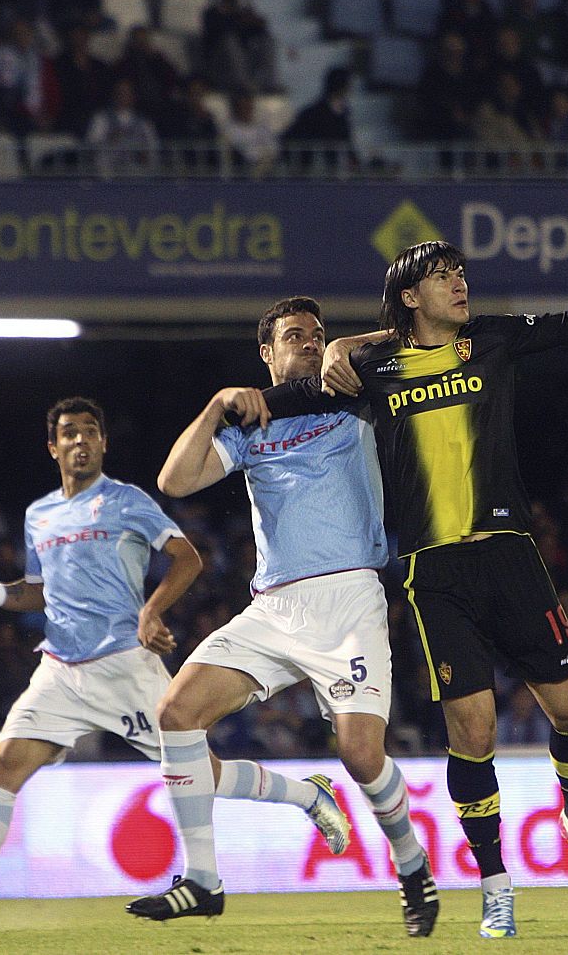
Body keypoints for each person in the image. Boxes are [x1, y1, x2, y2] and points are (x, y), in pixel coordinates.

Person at [269, 241, 568, 938]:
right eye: (443, 276)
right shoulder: (372, 368)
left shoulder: (494, 341)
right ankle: (495, 882)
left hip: (510, 558)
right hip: (433, 573)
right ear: (411, 296)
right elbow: (281, 398)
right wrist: (227, 407)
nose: (460, 283)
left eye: (461, 273)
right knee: (472, 734)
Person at [125, 296, 436, 935]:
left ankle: (411, 865)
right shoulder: (251, 428)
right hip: (274, 606)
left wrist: (351, 346)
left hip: (349, 596)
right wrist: (217, 405)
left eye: (317, 336)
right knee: (176, 715)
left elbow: (420, 333)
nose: (310, 344)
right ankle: (204, 881)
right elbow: (174, 482)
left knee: (359, 751)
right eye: (295, 336)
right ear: (266, 354)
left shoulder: (353, 397)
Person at [0, 398, 203, 932]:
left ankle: (303, 793)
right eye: (69, 433)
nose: (80, 440)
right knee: (2, 767)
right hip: (61, 669)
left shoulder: (127, 500)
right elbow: (39, 593)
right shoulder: (38, 514)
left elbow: (189, 558)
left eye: (91, 431)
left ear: (103, 443)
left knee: (203, 776)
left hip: (125, 666)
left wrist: (152, 610)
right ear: (53, 446)